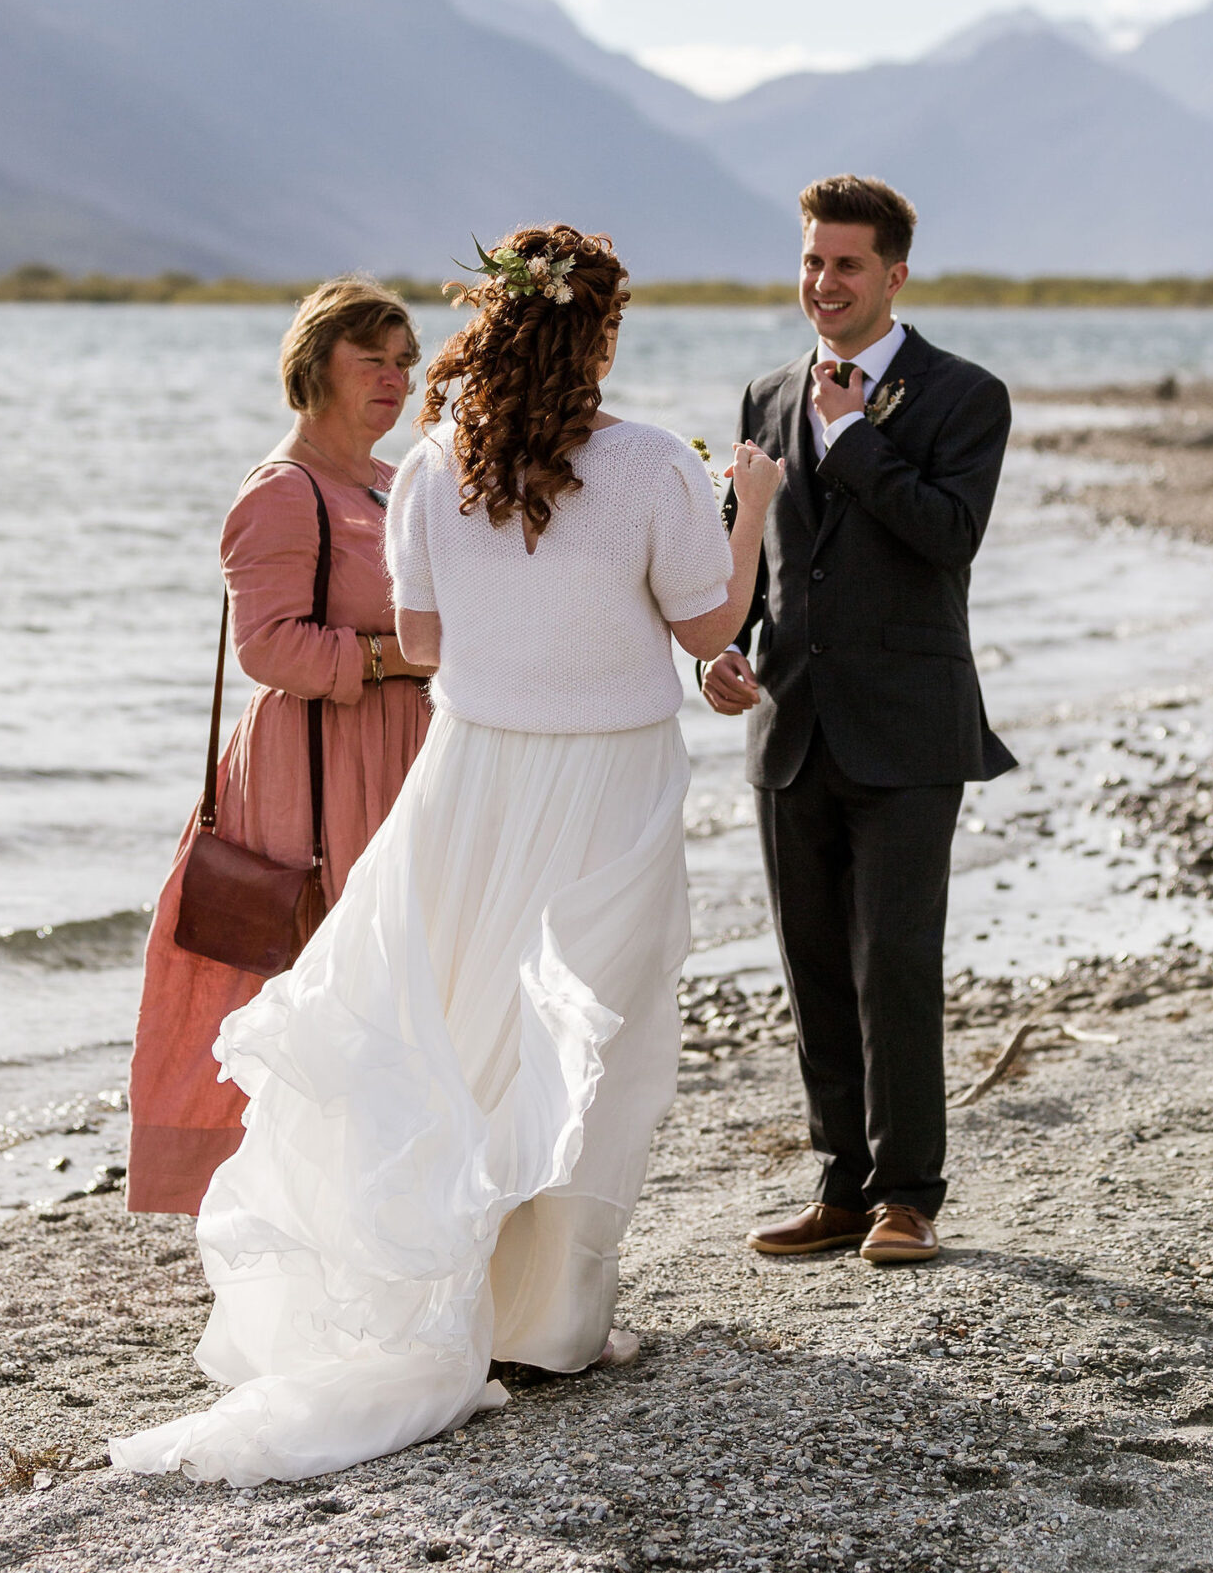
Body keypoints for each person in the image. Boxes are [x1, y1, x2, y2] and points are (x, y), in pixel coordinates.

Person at [110, 222, 782, 1486]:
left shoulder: (426, 467)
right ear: (601, 338)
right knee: (595, 1033)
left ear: (493, 329)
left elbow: (419, 634)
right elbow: (712, 621)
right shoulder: (648, 468)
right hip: (607, 784)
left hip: (467, 778)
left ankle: (458, 1297)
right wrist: (750, 510)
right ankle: (551, 1326)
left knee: (463, 1027)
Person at [701, 174, 1013, 1265]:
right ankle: (841, 1185)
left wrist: (854, 445)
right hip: (790, 722)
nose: (822, 283)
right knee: (814, 962)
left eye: (845, 264)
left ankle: (909, 1196)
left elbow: (949, 536)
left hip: (910, 724)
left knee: (896, 961)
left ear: (893, 274)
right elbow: (752, 559)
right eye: (810, 260)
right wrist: (724, 650)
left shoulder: (966, 395)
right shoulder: (764, 393)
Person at [125, 276, 434, 1216]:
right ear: (315, 369)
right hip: (319, 762)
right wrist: (400, 657)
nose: (394, 379)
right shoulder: (281, 490)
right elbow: (268, 648)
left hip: (402, 751)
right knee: (322, 970)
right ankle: (304, 1198)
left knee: (408, 969)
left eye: (402, 361)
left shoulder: (392, 478)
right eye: (369, 360)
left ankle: (396, 1182)